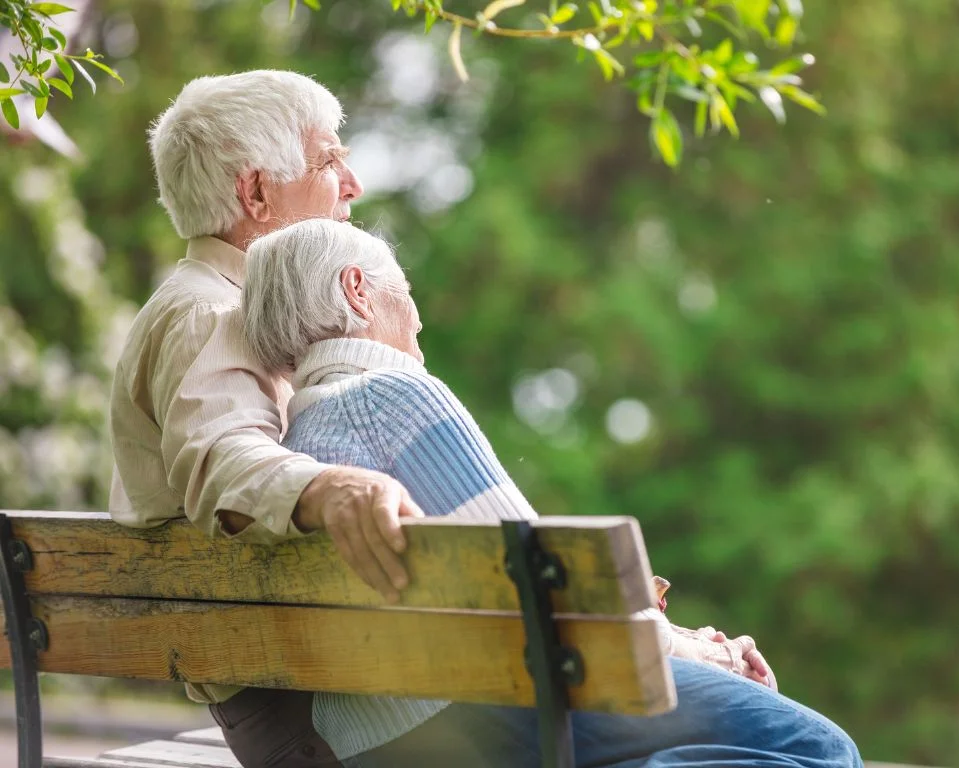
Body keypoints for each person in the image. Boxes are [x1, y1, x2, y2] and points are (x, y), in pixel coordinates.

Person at [238, 217, 863, 768]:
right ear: (357, 291)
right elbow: (551, 594)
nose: (419, 314)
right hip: (484, 714)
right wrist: (703, 652)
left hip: (369, 743)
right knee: (823, 750)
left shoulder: (296, 443)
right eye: (404, 289)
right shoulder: (393, 397)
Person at [108, 70, 427, 767]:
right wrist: (330, 489)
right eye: (328, 159)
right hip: (307, 714)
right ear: (255, 193)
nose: (353, 184)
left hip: (319, 682)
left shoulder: (237, 309)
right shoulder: (211, 313)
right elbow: (223, 457)